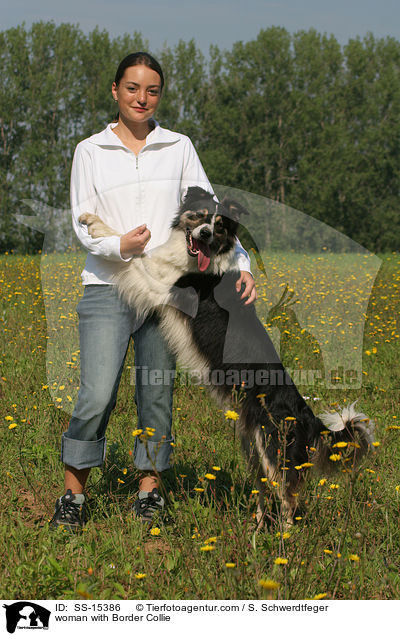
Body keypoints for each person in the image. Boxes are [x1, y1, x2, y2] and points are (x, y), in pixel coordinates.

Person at [50, 52, 257, 531]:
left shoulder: (178, 146)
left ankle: (150, 492)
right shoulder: (90, 150)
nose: (142, 98)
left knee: (156, 393)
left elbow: (210, 216)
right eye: (132, 88)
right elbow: (82, 221)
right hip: (108, 285)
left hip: (168, 291)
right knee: (97, 394)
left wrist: (241, 262)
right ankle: (73, 495)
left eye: (152, 90)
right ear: (116, 90)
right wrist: (116, 243)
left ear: (159, 94)